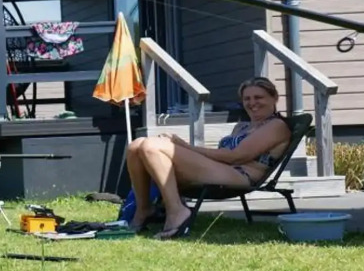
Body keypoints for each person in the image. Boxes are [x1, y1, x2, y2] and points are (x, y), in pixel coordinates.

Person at [124, 76, 291, 239]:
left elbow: (236, 157)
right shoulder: (242, 126)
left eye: (258, 97)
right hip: (221, 168)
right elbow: (224, 155)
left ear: (274, 98)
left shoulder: (276, 126)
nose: (252, 102)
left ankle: (176, 211)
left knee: (151, 146)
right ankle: (143, 209)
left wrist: (184, 146)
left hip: (241, 174)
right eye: (247, 98)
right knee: (136, 146)